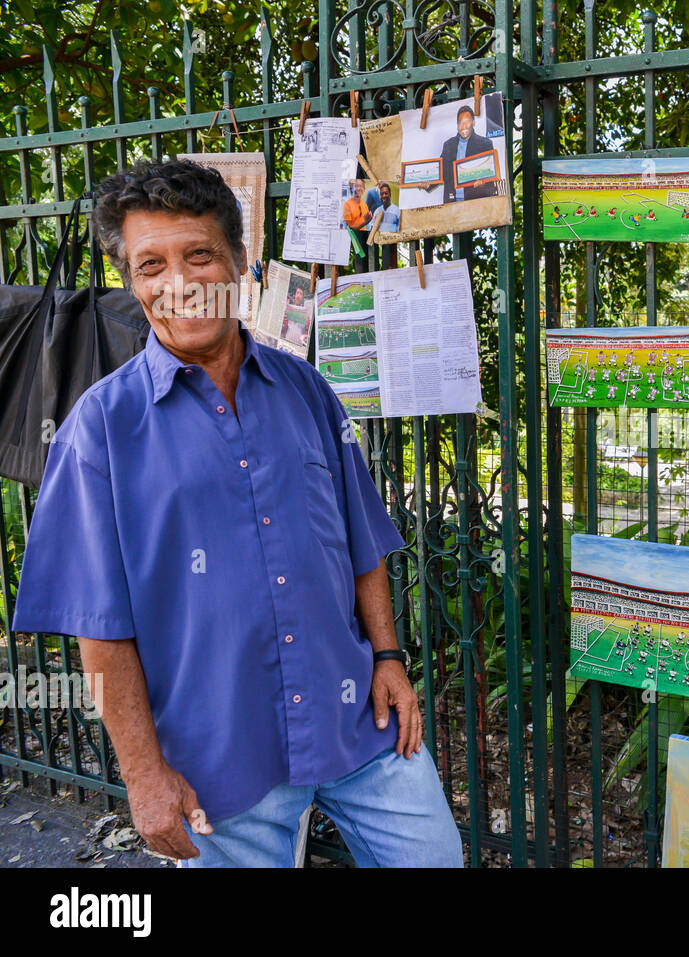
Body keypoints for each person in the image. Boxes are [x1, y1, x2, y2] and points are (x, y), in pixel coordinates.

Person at [11, 159, 461, 868]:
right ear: (131, 282)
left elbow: (361, 539)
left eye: (199, 255)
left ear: (241, 263)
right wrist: (143, 776)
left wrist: (388, 655)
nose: (178, 282)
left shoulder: (308, 392)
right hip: (218, 765)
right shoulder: (98, 431)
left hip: (357, 724)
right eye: (150, 264)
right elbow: (97, 629)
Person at [439, 104, 497, 203]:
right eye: (460, 123)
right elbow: (440, 172)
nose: (463, 126)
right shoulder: (448, 145)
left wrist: (483, 182)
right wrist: (428, 183)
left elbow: (490, 176)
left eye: (467, 122)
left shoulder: (485, 144)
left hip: (476, 202)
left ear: (473, 123)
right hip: (452, 202)